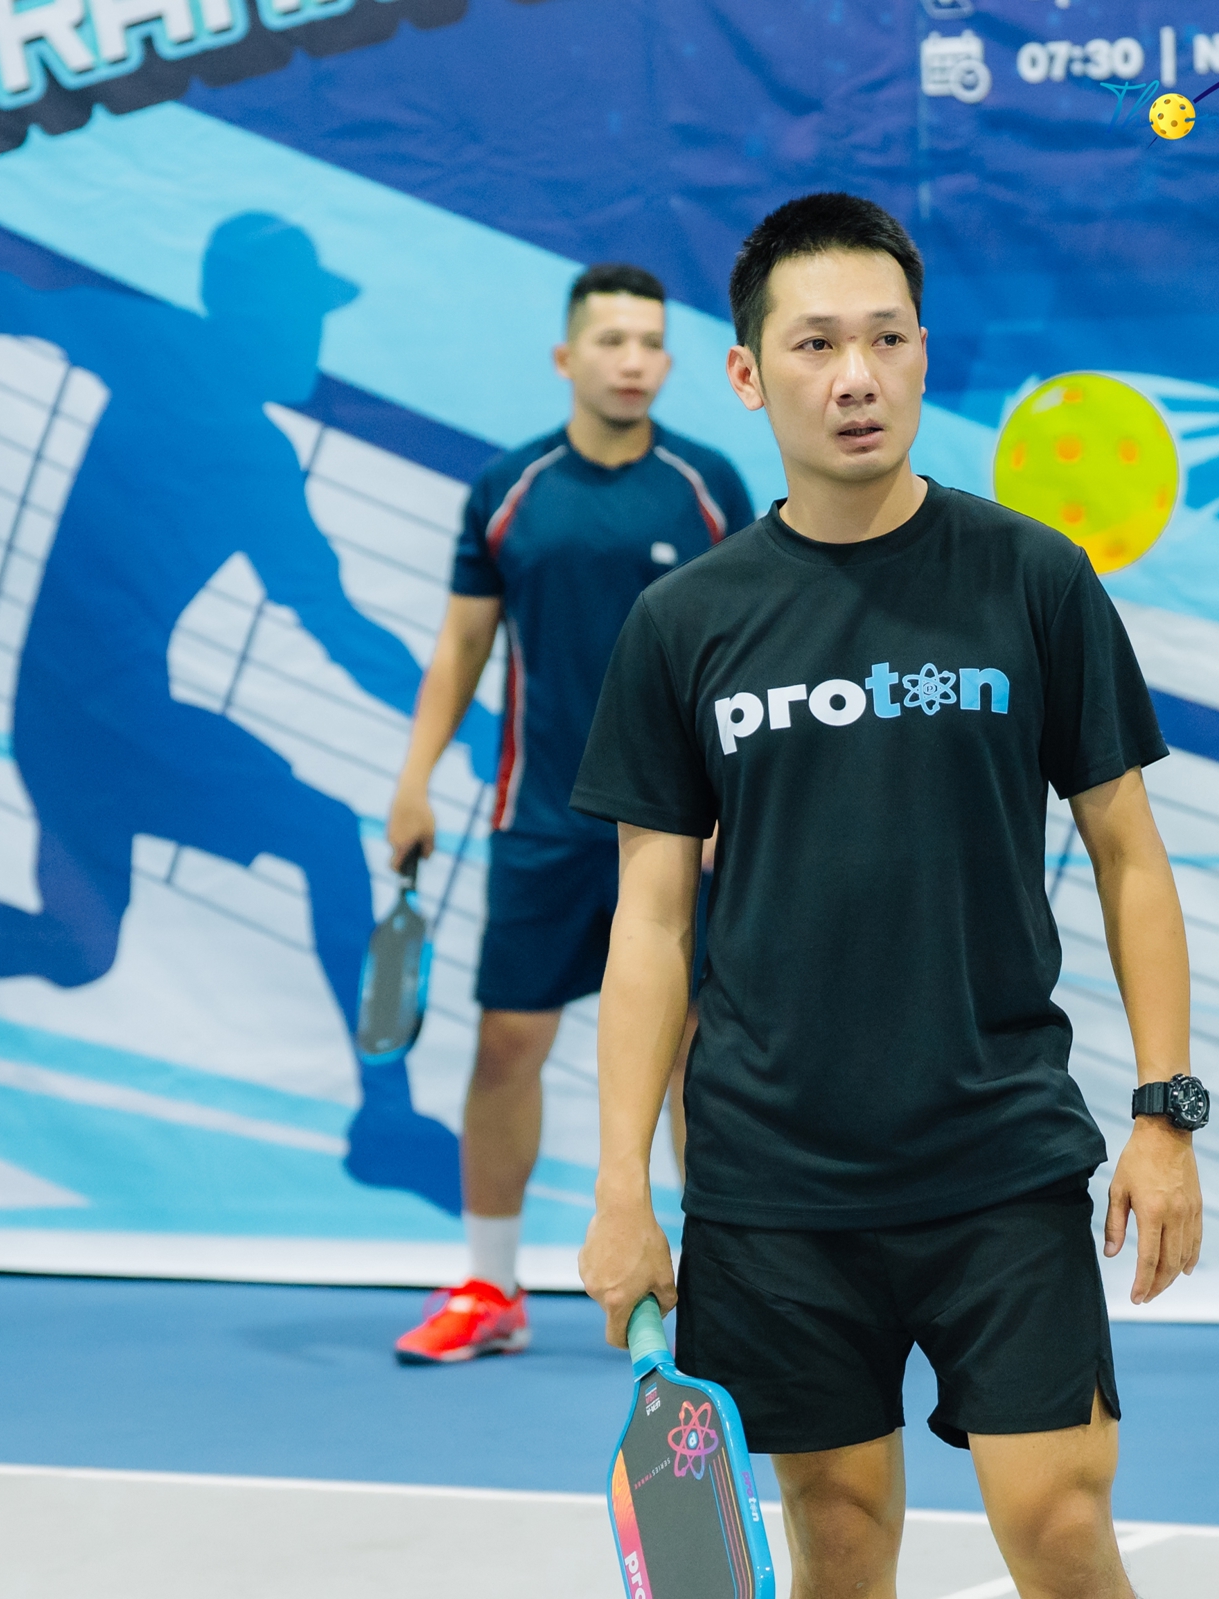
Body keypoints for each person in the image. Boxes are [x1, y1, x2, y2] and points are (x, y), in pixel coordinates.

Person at [572, 194, 1207, 1599]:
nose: (855, 375)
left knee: (1060, 1522)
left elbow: (1129, 853)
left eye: (887, 339)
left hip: (998, 1153)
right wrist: (623, 1186)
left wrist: (1166, 1113)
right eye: (815, 344)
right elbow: (652, 923)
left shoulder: (1033, 579)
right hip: (774, 1176)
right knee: (842, 1539)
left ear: (923, 353)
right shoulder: (684, 624)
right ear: (749, 373)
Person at [0, 214, 484, 1212]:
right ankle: (387, 1117)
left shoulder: (203, 399)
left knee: (78, 948)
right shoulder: (198, 392)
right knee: (323, 836)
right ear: (254, 313)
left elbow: (16, 305)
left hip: (66, 719)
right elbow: (17, 304)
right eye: (303, 315)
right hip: (105, 717)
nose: (313, 340)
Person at [387, 264, 754, 1364]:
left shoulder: (708, 486)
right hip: (543, 821)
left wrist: (735, 802)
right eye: (611, 341)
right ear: (566, 357)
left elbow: (751, 649)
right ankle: (490, 1287)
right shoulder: (510, 489)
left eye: (651, 343)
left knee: (693, 1058)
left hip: (683, 829)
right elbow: (464, 641)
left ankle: (719, 1293)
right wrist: (413, 778)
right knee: (507, 1044)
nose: (633, 361)